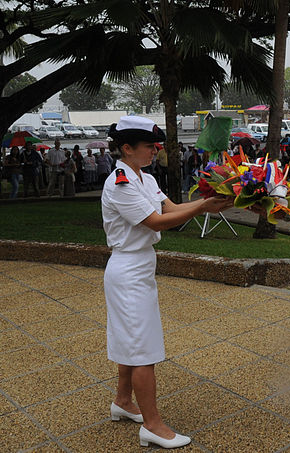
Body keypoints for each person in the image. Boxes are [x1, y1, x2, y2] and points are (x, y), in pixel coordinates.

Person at [102, 116, 232, 449]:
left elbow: (171, 207)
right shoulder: (120, 182)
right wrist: (203, 204)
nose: (155, 150)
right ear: (127, 148)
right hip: (128, 269)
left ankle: (122, 401)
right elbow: (157, 221)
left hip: (139, 267)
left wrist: (211, 204)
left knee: (131, 340)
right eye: (149, 146)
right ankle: (153, 425)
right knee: (143, 349)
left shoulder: (142, 177)